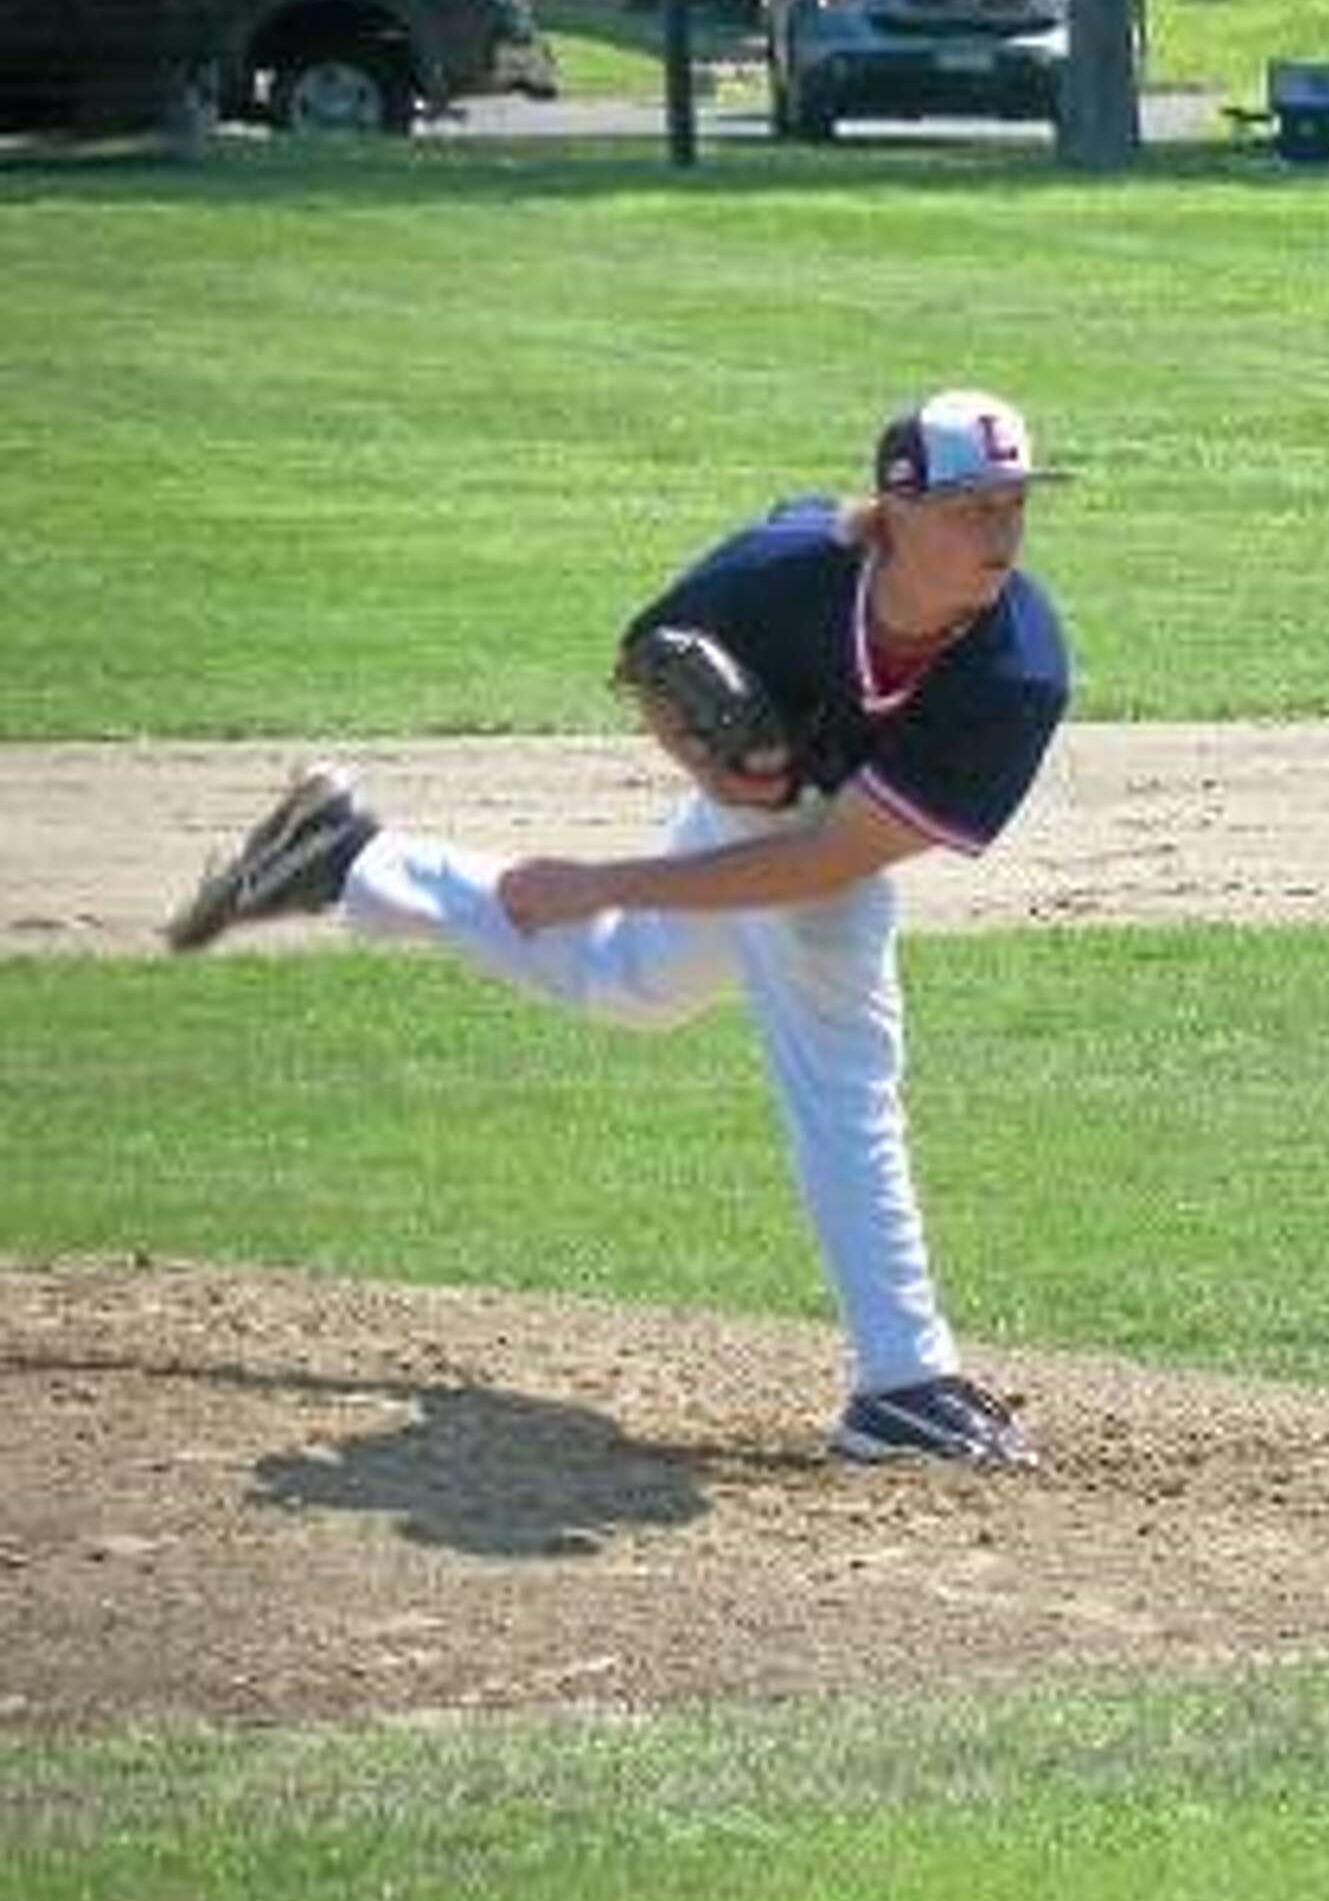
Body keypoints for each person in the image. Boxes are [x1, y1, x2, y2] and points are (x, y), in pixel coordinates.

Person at [164, 388, 1073, 1469]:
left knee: (634, 981)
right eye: (974, 506)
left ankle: (351, 857)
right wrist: (708, 767)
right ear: (899, 508)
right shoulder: (778, 571)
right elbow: (652, 659)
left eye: (1015, 503)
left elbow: (833, 854)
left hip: (826, 824)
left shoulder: (1017, 668)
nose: (1002, 531)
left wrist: (603, 882)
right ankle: (904, 1380)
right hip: (772, 805)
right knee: (842, 1055)